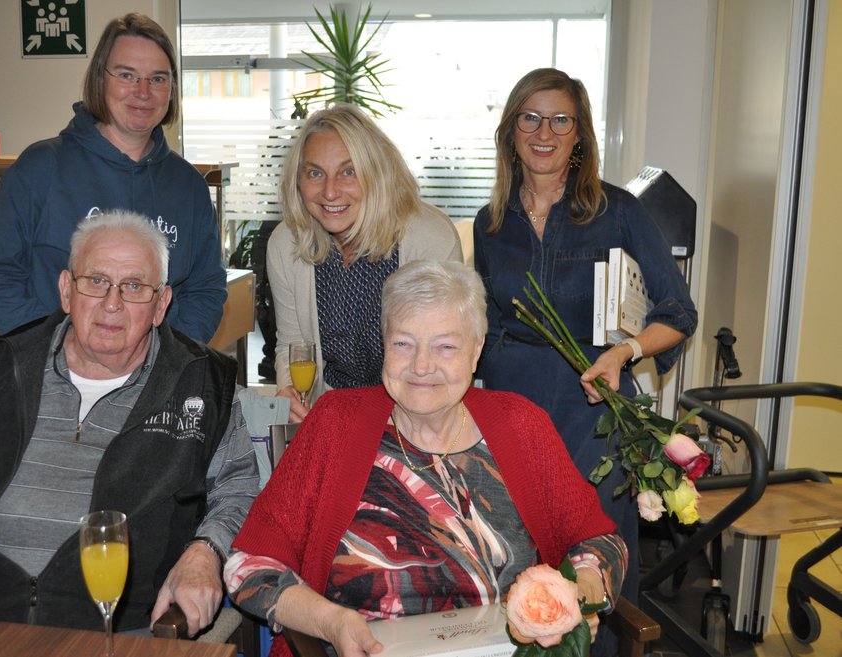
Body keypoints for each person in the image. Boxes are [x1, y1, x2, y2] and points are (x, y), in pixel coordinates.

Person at [0, 211, 258, 638]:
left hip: (119, 626)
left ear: (161, 304)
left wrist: (205, 552)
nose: (112, 303)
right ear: (66, 290)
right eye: (96, 281)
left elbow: (238, 489)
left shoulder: (202, 383)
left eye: (134, 286)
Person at [224, 260, 627, 657]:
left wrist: (578, 595)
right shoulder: (334, 422)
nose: (421, 366)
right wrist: (330, 621)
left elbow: (601, 542)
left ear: (476, 351)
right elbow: (248, 565)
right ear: (384, 344)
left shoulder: (521, 424)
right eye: (403, 343)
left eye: (445, 346)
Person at [472, 68, 697, 610]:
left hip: (592, 410)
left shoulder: (617, 211)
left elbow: (678, 312)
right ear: (511, 129)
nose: (544, 132)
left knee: (595, 562)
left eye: (560, 120)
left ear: (579, 134)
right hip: (511, 411)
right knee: (517, 558)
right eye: (531, 117)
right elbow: (486, 322)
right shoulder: (491, 221)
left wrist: (624, 351)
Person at [0, 13, 226, 342]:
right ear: (100, 79)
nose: (143, 91)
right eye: (126, 75)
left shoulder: (189, 187)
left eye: (158, 78)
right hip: (49, 365)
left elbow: (205, 289)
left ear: (172, 90)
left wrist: (165, 359)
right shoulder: (39, 168)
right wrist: (58, 351)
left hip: (158, 370)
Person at [268, 103, 462, 422]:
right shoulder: (285, 244)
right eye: (315, 173)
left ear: (377, 174)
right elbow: (292, 345)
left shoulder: (431, 240)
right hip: (328, 413)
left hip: (413, 417)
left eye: (348, 172)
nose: (330, 192)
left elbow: (445, 358)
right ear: (298, 180)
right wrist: (290, 395)